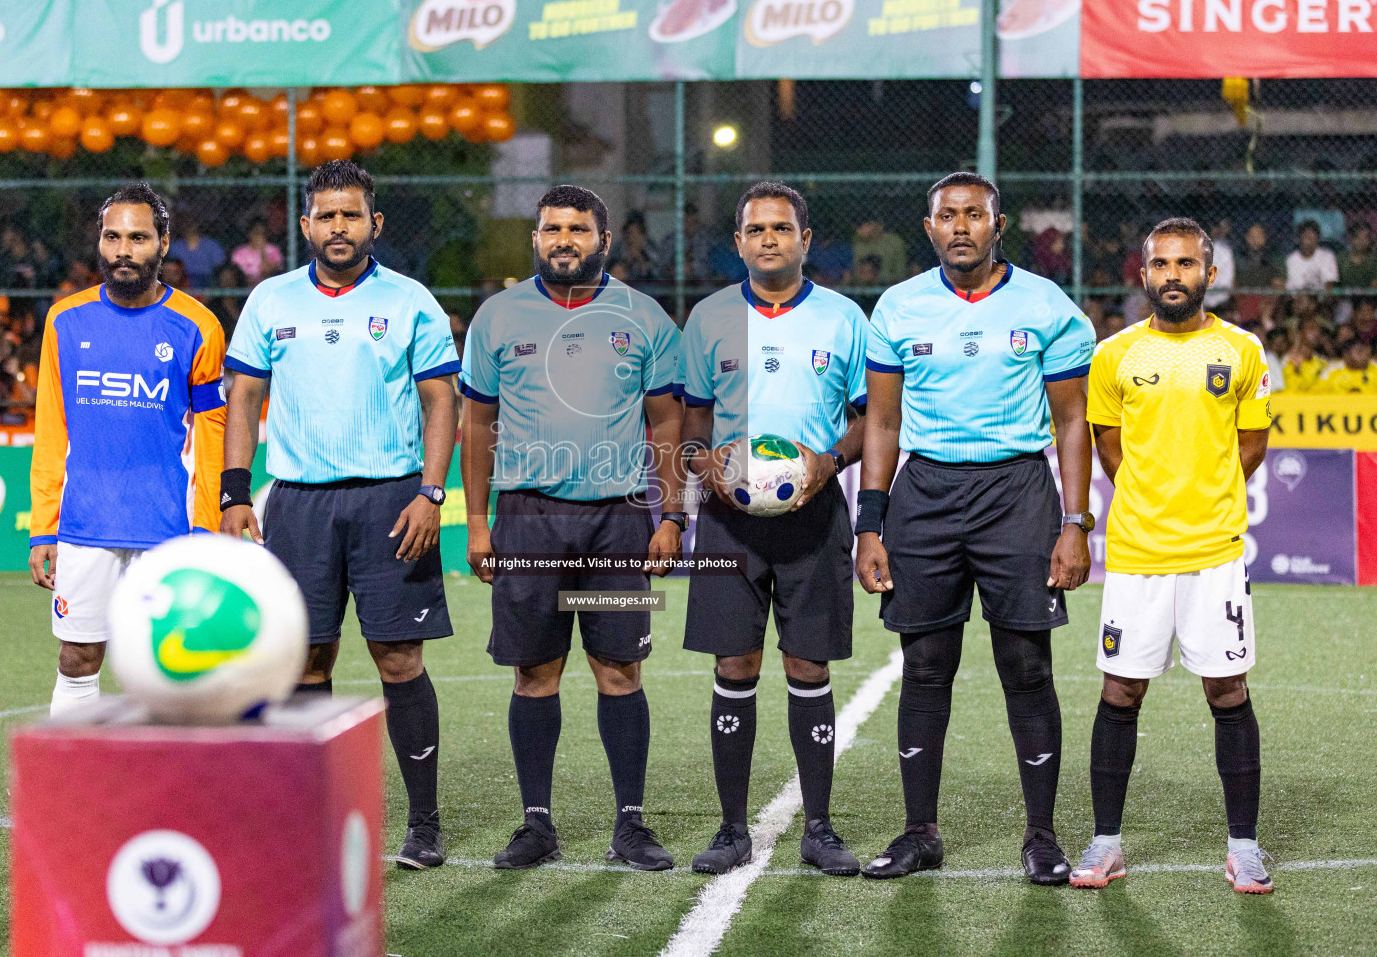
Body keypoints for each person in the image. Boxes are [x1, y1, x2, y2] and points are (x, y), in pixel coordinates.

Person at [855, 171, 1095, 885]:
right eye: (947, 216)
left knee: (1026, 666)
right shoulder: (898, 307)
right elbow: (884, 422)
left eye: (974, 215)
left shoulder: (1045, 304)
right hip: (924, 494)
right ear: (928, 228)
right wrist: (871, 523)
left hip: (1016, 491)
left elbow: (1072, 419)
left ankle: (1042, 836)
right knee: (926, 667)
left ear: (998, 225)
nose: (961, 227)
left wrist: (1076, 522)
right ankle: (919, 832)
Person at [219, 160, 460, 872]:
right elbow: (242, 399)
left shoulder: (411, 300)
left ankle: (424, 824)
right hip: (298, 503)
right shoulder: (270, 299)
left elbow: (441, 400)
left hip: (393, 500)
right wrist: (236, 493)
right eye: (326, 215)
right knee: (305, 659)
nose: (338, 227)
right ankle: (309, 816)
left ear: (374, 224)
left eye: (351, 215)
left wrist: (432, 493)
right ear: (306, 225)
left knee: (399, 657)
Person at [459, 186, 683, 871]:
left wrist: (670, 514)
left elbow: (667, 422)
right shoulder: (497, 317)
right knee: (534, 672)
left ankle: (631, 826)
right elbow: (477, 424)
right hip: (528, 518)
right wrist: (476, 519)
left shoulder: (643, 317)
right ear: (535, 239)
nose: (564, 240)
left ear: (603, 240)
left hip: (618, 521)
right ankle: (537, 825)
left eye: (578, 229)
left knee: (620, 669)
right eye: (552, 229)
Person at [1071, 217, 1273, 894]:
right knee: (1121, 689)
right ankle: (1106, 843)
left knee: (1228, 689)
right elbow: (1106, 444)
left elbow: (1250, 446)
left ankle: (1243, 845)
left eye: (1186, 264)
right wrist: (1154, 499)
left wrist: (1204, 498)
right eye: (1161, 264)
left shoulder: (1242, 350)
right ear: (1144, 274)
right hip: (1136, 553)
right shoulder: (1115, 355)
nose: (1173, 276)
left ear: (1210, 275)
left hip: (1215, 552)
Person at [680, 181, 870, 877]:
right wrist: (706, 469)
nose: (769, 239)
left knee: (807, 665)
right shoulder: (706, 320)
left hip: (812, 515)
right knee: (734, 665)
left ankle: (819, 828)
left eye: (782, 229)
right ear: (738, 243)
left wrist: (827, 464)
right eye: (755, 229)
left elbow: (870, 422)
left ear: (805, 240)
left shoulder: (845, 320)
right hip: (730, 522)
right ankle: (732, 829)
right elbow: (691, 427)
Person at [28, 183, 227, 717]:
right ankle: (68, 784)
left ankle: (175, 790)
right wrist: (44, 527)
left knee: (177, 668)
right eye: (112, 236)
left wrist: (207, 532)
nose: (123, 250)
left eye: (138, 237)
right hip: (85, 524)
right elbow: (51, 429)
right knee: (77, 656)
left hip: (169, 529)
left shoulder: (198, 327)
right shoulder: (64, 321)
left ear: (163, 244)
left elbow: (212, 439)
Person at [168, 214, 226, 290]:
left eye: (191, 222)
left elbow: (220, 265)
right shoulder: (175, 246)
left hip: (208, 280)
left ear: (197, 224)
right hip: (183, 281)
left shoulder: (211, 245)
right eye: (184, 222)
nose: (188, 225)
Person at [607, 210, 660, 284]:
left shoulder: (650, 248)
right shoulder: (618, 249)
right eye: (629, 233)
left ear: (643, 234)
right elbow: (610, 272)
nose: (632, 238)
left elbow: (657, 274)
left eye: (636, 233)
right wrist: (627, 260)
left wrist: (639, 258)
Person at [1284, 220, 1338, 292]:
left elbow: (1329, 284)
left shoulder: (1327, 256)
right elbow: (1291, 288)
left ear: (1318, 239)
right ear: (1299, 238)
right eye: (1306, 236)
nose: (1309, 240)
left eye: (1312, 237)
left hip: (1320, 299)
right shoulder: (1291, 259)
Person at [853, 218, 908, 285]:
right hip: (864, 287)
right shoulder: (859, 245)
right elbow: (857, 273)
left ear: (877, 225)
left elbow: (901, 272)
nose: (858, 231)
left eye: (862, 226)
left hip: (892, 285)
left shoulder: (894, 242)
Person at [230, 219, 284, 284]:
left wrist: (262, 251)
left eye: (263, 234)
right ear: (250, 234)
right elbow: (237, 273)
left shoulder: (274, 251)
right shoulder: (240, 253)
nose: (260, 236)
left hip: (266, 282)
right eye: (257, 233)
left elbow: (266, 270)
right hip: (245, 283)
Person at [1205, 218, 1236, 309]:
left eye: (1224, 227)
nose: (1220, 230)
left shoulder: (1226, 250)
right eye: (1217, 227)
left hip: (1222, 298)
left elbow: (1229, 279)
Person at [1339, 223, 1377, 290]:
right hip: (1344, 298)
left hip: (1369, 299)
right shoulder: (1341, 260)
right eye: (1358, 238)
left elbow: (1374, 286)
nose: (1362, 242)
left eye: (1365, 238)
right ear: (1350, 239)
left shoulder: (1373, 260)